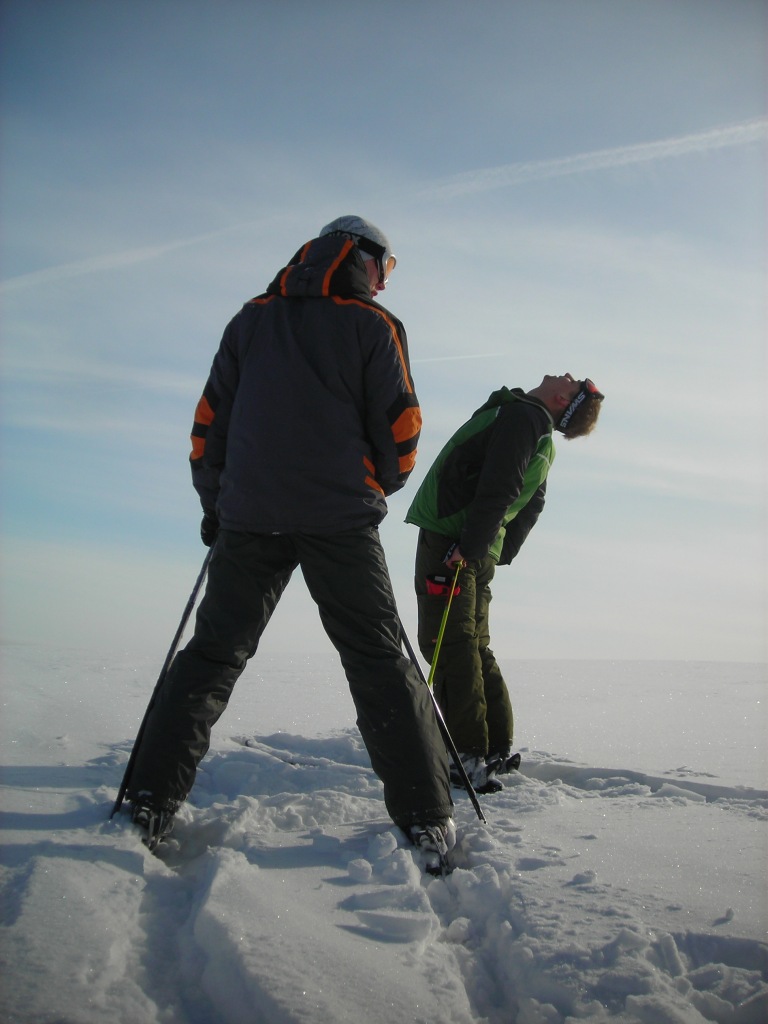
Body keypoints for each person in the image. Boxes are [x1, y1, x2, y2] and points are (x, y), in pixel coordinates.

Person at [125, 216, 455, 869]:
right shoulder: (373, 325)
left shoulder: (250, 319)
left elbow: (209, 425)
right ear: (361, 256)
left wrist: (216, 504)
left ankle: (147, 801)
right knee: (377, 658)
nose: (385, 281)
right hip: (340, 519)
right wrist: (375, 482)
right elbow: (401, 427)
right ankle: (427, 817)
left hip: (250, 517)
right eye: (386, 266)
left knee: (211, 656)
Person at [405, 374, 604, 793]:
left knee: (449, 644)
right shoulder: (537, 430)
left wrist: (469, 546)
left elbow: (502, 485)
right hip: (475, 547)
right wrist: (494, 548)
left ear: (561, 398)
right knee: (472, 644)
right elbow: (533, 503)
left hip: (454, 542)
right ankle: (493, 747)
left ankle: (466, 756)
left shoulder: (523, 418)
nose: (566, 375)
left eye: (573, 383)